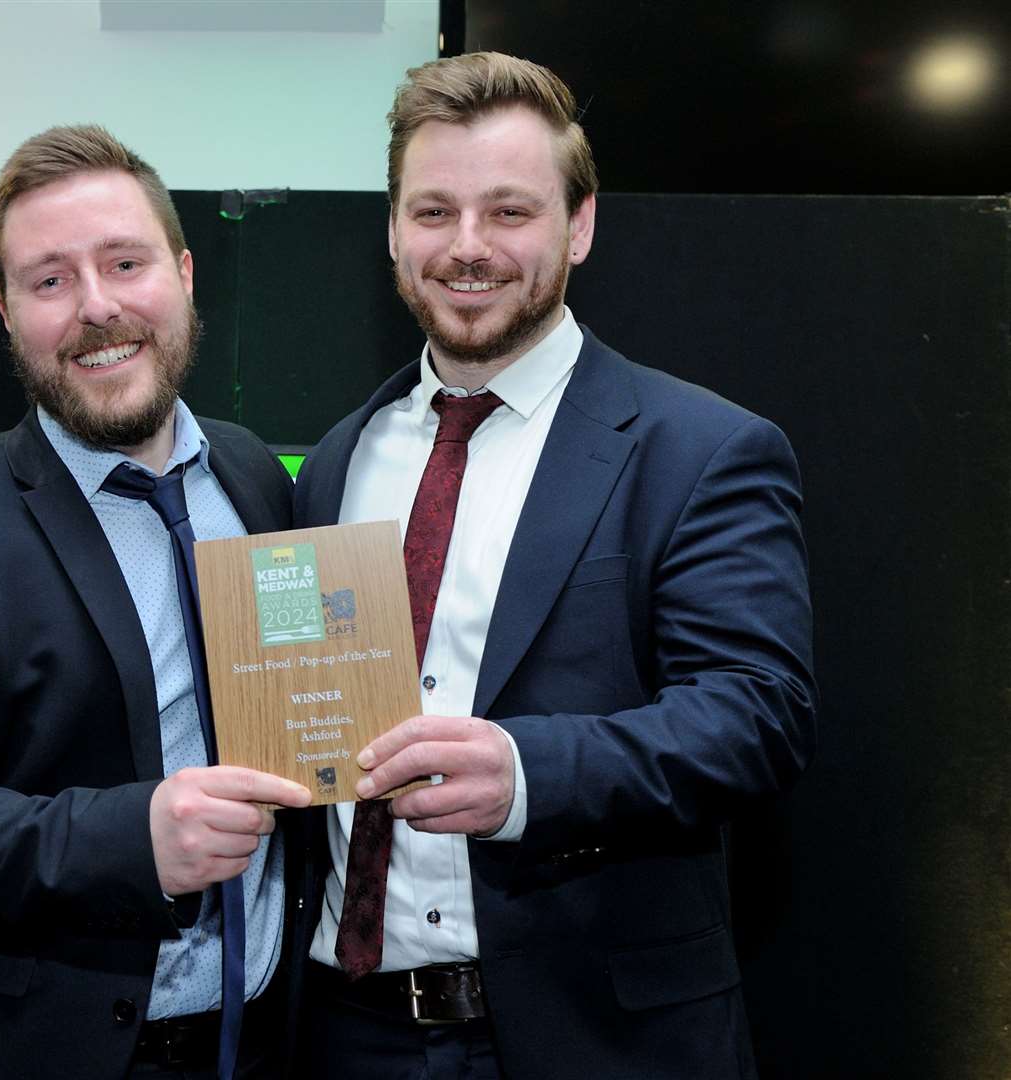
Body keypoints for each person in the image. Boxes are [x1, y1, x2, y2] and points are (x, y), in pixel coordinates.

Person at [290, 52, 816, 1078]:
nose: (468, 247)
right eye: (433, 212)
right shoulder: (339, 459)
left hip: (593, 1038)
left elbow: (759, 715)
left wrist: (529, 774)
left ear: (579, 225)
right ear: (393, 230)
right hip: (343, 1034)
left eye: (510, 212)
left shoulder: (698, 449)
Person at [0, 125, 314, 1080]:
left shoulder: (255, 479)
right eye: (49, 281)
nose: (97, 308)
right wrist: (133, 840)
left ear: (182, 273)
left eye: (125, 263)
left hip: (271, 1041)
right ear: (6, 313)